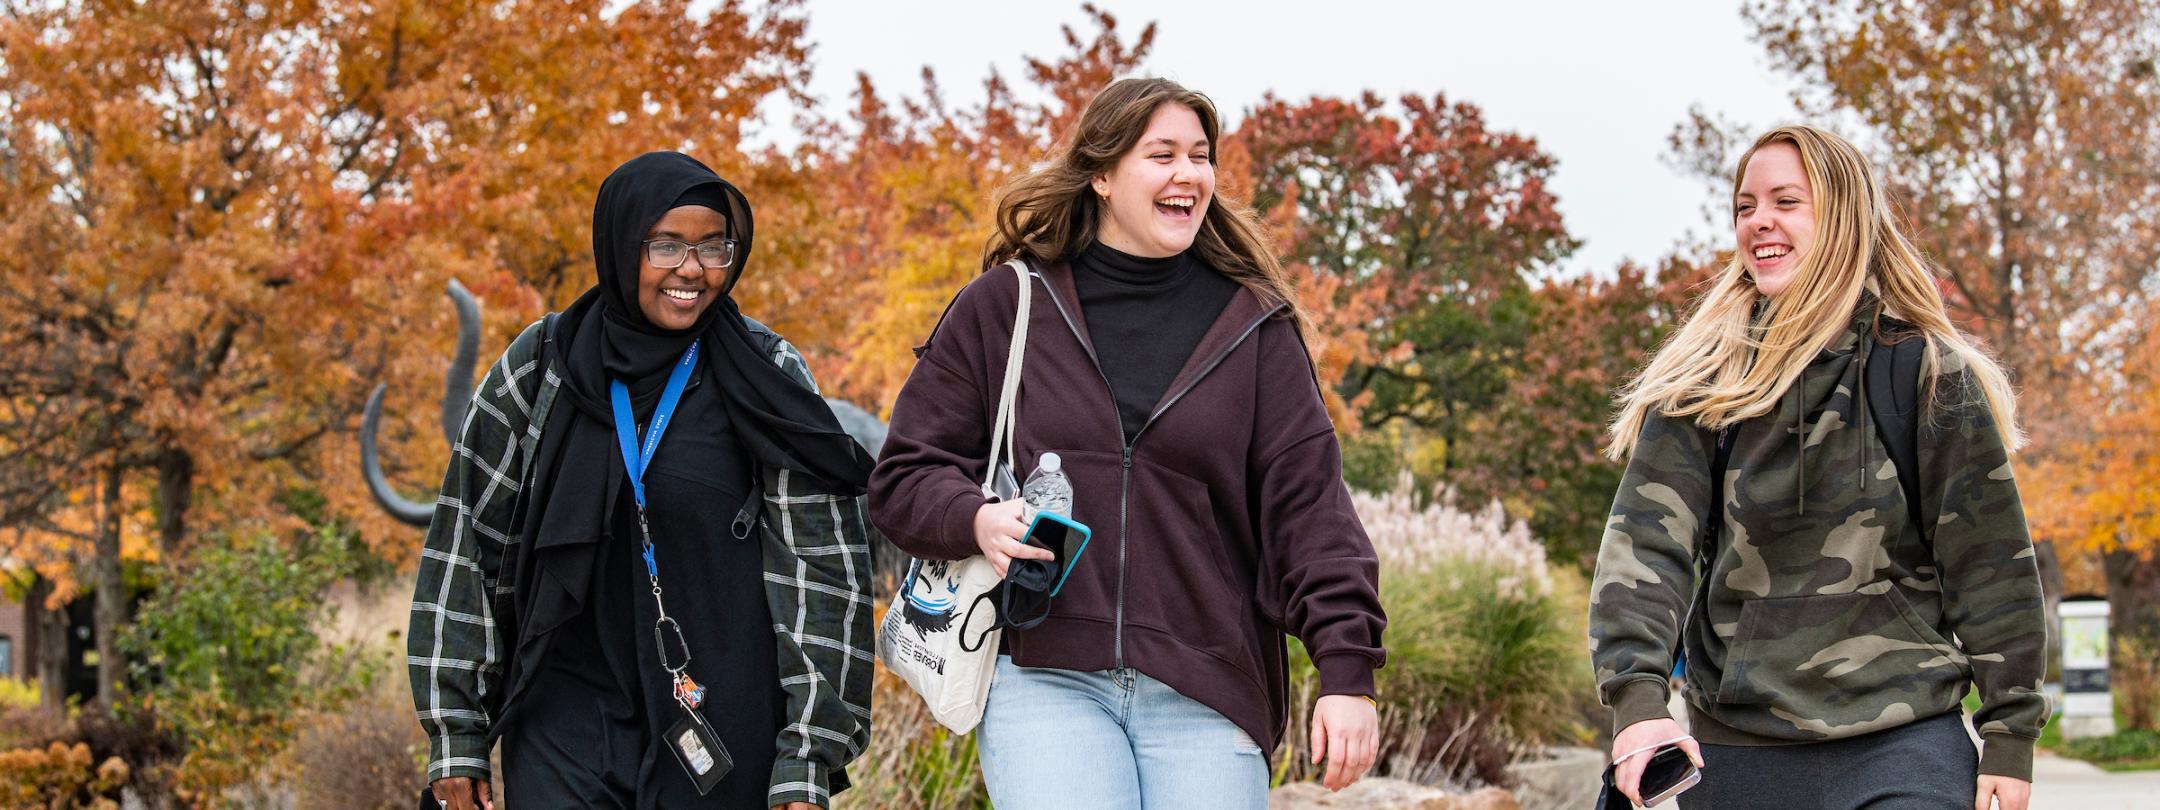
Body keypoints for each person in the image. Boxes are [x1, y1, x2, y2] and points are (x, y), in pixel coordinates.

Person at [868, 77, 1388, 809]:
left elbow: (1311, 515)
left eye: (1201, 156)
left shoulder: (1255, 330)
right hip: (1044, 674)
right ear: (1103, 175)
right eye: (1163, 154)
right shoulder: (1008, 305)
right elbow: (905, 475)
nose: (1189, 174)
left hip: (1209, 685)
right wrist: (978, 518)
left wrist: (1347, 670)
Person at [1589, 125, 2047, 810]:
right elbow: (1646, 551)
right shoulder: (1699, 387)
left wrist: (2010, 738)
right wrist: (1638, 705)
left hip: (1905, 744)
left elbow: (1991, 566)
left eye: (1785, 201)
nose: (1759, 222)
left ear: (1842, 217)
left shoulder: (1924, 374)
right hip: (1739, 751)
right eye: (1745, 207)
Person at [407, 152, 876, 809]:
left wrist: (809, 754)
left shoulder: (765, 374)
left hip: (722, 727)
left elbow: (822, 573)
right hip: (563, 720)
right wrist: (456, 731)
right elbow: (465, 549)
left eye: (714, 246)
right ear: (622, 244)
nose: (692, 269)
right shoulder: (542, 365)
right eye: (667, 246)